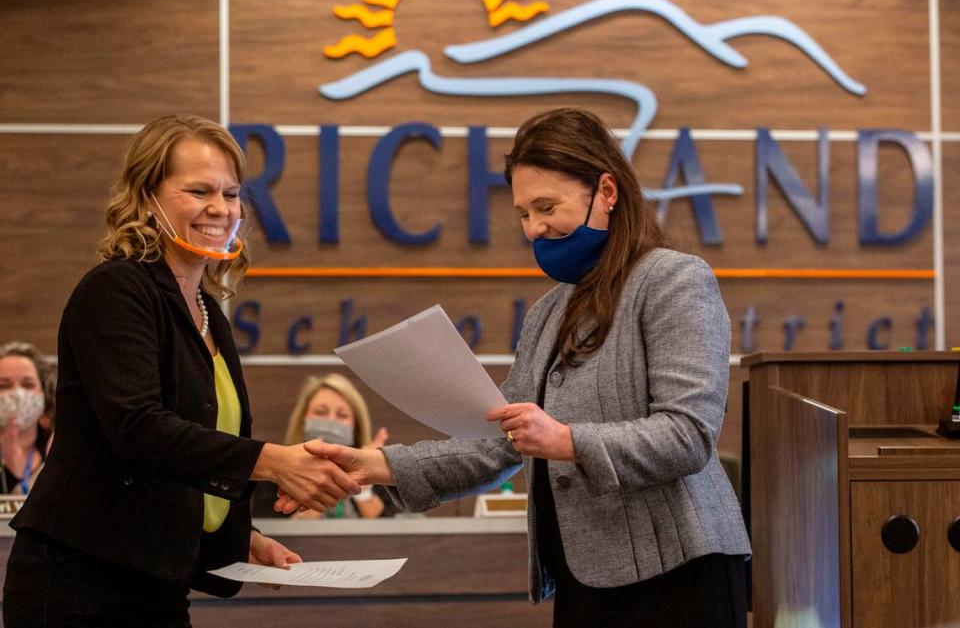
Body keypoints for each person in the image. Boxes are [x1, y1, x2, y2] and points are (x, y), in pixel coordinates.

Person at [283, 107, 752, 627]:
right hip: (585, 575)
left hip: (678, 577)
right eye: (524, 214)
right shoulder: (550, 309)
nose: (535, 228)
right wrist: (380, 466)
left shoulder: (676, 280)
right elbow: (503, 440)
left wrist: (567, 440)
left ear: (607, 192)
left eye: (547, 207)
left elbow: (687, 435)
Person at [3, 114, 360, 628]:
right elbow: (139, 429)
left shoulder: (209, 310)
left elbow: (187, 456)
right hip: (79, 584)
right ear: (146, 197)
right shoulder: (116, 289)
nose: (220, 208)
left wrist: (242, 539)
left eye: (232, 193)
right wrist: (273, 461)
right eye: (198, 190)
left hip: (155, 585)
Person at [283, 373, 390, 519]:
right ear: (303, 420)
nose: (331, 422)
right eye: (321, 412)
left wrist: (362, 490)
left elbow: (393, 535)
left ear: (355, 428)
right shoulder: (279, 473)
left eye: (342, 415)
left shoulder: (380, 478)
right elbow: (273, 533)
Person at [0, 342, 56, 494]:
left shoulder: (57, 449)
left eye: (28, 384)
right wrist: (8, 476)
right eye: (4, 385)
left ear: (44, 394)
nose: (18, 394)